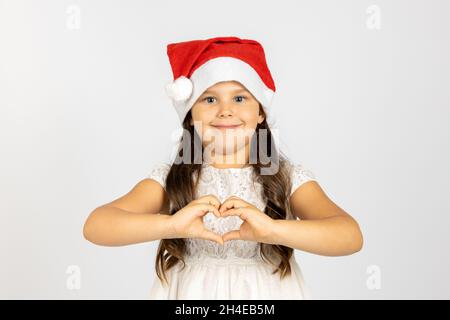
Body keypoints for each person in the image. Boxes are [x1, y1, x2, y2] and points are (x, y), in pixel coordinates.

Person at [83, 36, 364, 299]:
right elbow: (97, 226)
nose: (225, 110)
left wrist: (272, 230)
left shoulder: (285, 178)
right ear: (190, 115)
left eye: (240, 98)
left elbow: (349, 235)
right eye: (209, 99)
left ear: (261, 111)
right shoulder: (175, 179)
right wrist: (170, 225)